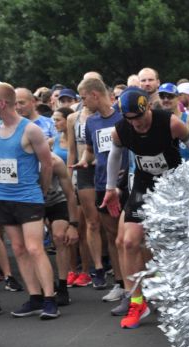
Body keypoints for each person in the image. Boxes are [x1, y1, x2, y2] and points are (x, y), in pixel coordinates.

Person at [103, 87, 189, 329]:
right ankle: (137, 301)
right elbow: (114, 157)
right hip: (145, 184)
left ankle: (185, 297)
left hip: (174, 186)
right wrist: (110, 188)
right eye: (130, 119)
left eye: (139, 118)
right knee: (129, 242)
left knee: (175, 244)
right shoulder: (121, 130)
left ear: (147, 110)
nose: (136, 124)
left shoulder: (171, 123)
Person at [0, 82, 60, 319]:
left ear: (2, 103)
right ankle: (34, 297)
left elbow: (47, 163)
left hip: (28, 197)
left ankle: (49, 299)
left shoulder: (30, 130)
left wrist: (42, 190)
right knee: (19, 248)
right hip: (4, 198)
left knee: (35, 248)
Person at [75, 76, 130, 312]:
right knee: (112, 235)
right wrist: (82, 162)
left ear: (95, 95)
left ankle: (139, 285)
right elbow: (89, 150)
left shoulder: (123, 117)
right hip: (101, 184)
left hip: (127, 184)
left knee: (130, 238)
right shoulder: (91, 122)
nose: (82, 102)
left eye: (84, 97)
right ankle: (121, 283)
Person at [66, 80, 109, 293]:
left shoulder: (107, 116)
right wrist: (69, 178)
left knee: (106, 222)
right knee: (91, 223)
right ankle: (98, 268)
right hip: (83, 172)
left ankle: (110, 262)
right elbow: (73, 150)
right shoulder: (73, 118)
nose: (81, 100)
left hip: (104, 169)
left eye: (83, 96)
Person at [43, 152, 80, 306]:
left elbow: (71, 195)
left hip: (59, 201)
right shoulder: (21, 160)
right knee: (34, 244)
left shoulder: (55, 162)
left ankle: (63, 287)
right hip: (34, 203)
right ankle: (48, 286)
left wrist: (73, 225)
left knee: (59, 237)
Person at [158, 83, 189, 160]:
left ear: (178, 98)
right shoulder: (155, 121)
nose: (166, 100)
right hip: (166, 170)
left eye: (170, 96)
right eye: (162, 96)